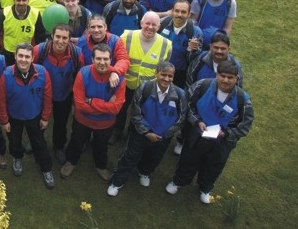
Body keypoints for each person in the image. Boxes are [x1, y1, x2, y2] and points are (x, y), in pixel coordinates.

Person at [166, 60, 253, 204]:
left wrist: (226, 134)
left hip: (222, 141)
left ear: (237, 79)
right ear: (217, 75)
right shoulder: (202, 85)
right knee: (188, 159)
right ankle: (179, 181)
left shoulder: (243, 99)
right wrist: (197, 121)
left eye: (230, 77)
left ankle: (205, 188)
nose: (225, 80)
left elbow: (245, 125)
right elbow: (187, 105)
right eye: (222, 76)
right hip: (198, 134)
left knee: (214, 165)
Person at [107, 61, 189, 196]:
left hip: (163, 137)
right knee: (129, 157)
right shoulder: (145, 88)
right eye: (163, 75)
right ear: (156, 74)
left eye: (170, 76)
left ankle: (144, 172)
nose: (167, 79)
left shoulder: (180, 95)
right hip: (140, 133)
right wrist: (146, 132)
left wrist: (165, 134)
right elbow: (135, 112)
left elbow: (181, 118)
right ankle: (117, 181)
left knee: (154, 157)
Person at [60, 42, 125, 181]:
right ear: (92, 59)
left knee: (101, 146)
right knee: (76, 142)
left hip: (105, 124)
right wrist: (106, 106)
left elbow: (117, 108)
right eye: (98, 59)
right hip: (82, 120)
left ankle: (101, 166)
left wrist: (91, 101)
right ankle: (71, 161)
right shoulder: (83, 74)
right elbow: (79, 104)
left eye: (106, 59)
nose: (102, 62)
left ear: (111, 59)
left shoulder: (119, 79)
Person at [0, 43, 55, 189]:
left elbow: (48, 97)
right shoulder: (6, 75)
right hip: (13, 117)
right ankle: (17, 157)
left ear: (33, 58)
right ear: (15, 56)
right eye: (20, 56)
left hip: (35, 116)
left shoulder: (42, 72)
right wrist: (4, 120)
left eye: (27, 56)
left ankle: (46, 168)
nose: (23, 59)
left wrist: (45, 117)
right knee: (14, 141)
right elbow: (1, 100)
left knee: (39, 143)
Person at [112, 12, 172, 144]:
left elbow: (164, 65)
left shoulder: (166, 44)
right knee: (121, 108)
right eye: (147, 23)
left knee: (140, 112)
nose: (150, 27)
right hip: (126, 83)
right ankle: (117, 130)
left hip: (148, 88)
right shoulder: (126, 36)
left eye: (154, 24)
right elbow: (117, 58)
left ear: (159, 26)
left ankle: (131, 134)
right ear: (141, 23)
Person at [33, 24, 81, 164]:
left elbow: (80, 76)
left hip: (63, 95)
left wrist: (74, 98)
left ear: (70, 39)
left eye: (64, 38)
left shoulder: (76, 53)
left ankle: (58, 146)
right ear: (52, 36)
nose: (60, 41)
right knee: (38, 121)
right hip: (41, 95)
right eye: (58, 37)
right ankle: (36, 141)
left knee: (61, 123)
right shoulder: (39, 50)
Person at [159, 0, 203, 88]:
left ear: (189, 14)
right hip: (159, 69)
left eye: (183, 12)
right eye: (177, 11)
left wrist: (193, 50)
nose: (179, 15)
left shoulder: (195, 32)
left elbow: (194, 60)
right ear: (172, 11)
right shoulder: (162, 23)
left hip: (179, 74)